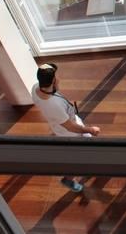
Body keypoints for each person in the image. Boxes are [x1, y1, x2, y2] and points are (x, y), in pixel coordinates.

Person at [31, 63, 101, 192]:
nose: (59, 79)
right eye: (56, 77)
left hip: (62, 127)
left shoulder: (36, 88)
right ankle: (68, 178)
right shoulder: (53, 104)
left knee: (87, 149)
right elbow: (70, 127)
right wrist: (90, 129)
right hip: (71, 133)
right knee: (80, 157)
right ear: (52, 81)